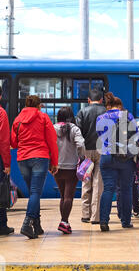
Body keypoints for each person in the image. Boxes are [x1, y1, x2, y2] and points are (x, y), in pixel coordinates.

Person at [10, 95, 58, 239]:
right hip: (40, 157)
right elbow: (52, 141)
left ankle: (36, 226)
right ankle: (27, 223)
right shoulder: (43, 118)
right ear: (39, 105)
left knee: (33, 193)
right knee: (36, 192)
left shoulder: (17, 120)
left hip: (22, 159)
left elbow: (14, 142)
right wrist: (54, 162)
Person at [96, 92, 139, 231]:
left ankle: (103, 220)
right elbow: (136, 137)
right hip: (125, 158)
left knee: (108, 189)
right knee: (126, 190)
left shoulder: (101, 118)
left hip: (107, 155)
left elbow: (99, 136)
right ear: (119, 106)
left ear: (109, 106)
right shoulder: (128, 116)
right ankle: (126, 221)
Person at [76, 88, 106, 224]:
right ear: (101, 100)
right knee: (98, 183)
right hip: (102, 150)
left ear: (88, 100)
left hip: (86, 151)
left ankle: (85, 214)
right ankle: (96, 216)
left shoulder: (83, 112)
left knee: (86, 181)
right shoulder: (106, 112)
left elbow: (78, 133)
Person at [54, 107, 85, 234]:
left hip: (56, 168)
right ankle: (64, 221)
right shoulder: (74, 128)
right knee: (68, 197)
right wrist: (81, 157)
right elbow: (81, 145)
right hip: (71, 168)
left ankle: (64, 222)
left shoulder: (53, 127)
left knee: (63, 196)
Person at [0, 85, 14, 236]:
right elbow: (4, 141)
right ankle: (2, 226)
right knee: (1, 190)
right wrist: (6, 164)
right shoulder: (1, 113)